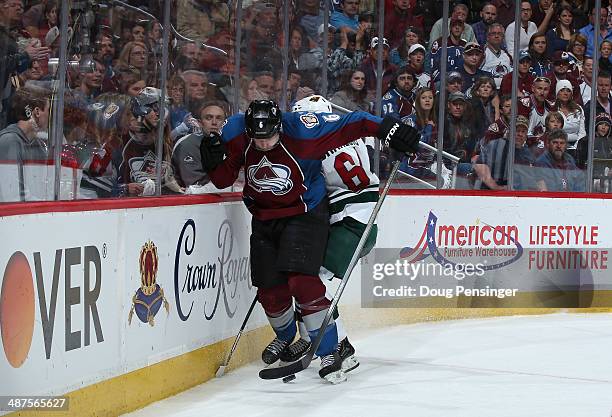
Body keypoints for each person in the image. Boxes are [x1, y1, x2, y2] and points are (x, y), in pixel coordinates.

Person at [199, 99, 420, 383]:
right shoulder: (236, 131)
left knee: (304, 283)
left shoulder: (304, 131)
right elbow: (222, 179)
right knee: (270, 291)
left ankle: (331, 350)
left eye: (270, 137)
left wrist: (389, 129)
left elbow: (355, 123)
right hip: (264, 218)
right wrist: (213, 162)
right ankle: (287, 335)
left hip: (304, 214)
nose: (264, 144)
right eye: (259, 139)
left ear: (280, 126)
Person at [284, 94, 380, 374]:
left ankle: (341, 346)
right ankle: (311, 338)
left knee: (311, 284)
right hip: (362, 221)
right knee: (306, 278)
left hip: (348, 222)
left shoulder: (313, 145)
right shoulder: (351, 135)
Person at [0, 85, 50, 201]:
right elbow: (12, 194)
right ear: (37, 112)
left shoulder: (40, 145)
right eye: (48, 110)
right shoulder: (9, 141)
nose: (49, 116)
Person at [171, 101, 227, 191]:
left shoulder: (228, 142)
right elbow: (195, 188)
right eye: (209, 118)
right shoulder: (187, 144)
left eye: (219, 118)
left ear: (225, 122)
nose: (214, 122)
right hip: (189, 202)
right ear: (200, 122)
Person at [473, 115, 536, 190]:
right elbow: (480, 166)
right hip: (490, 193)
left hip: (516, 196)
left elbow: (531, 180)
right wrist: (497, 188)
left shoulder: (527, 154)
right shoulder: (495, 145)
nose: (520, 134)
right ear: (509, 131)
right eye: (517, 130)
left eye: (523, 131)